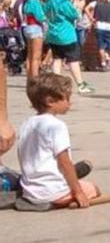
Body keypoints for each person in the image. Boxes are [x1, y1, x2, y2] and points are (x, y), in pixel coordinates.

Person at [17, 74, 101, 209]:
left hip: (29, 190)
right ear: (50, 100)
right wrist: (78, 192)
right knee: (93, 189)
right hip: (53, 191)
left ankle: (67, 179)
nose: (70, 103)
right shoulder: (56, 125)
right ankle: (65, 189)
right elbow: (64, 161)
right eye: (67, 99)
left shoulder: (27, 123)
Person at [44, 0, 90, 94]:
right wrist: (78, 5)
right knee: (73, 59)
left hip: (53, 33)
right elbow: (73, 14)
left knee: (57, 59)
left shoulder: (48, 0)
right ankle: (80, 84)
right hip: (66, 34)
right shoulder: (62, 0)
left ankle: (55, 85)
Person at [21, 0, 47, 80]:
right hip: (36, 27)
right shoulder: (35, 1)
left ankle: (29, 78)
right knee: (36, 57)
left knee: (29, 56)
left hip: (28, 27)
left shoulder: (27, 0)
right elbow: (40, 16)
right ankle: (35, 79)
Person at [91, 0, 110, 72]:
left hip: (99, 25)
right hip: (109, 26)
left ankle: (103, 63)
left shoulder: (96, 3)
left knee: (101, 47)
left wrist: (92, 18)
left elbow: (86, 8)